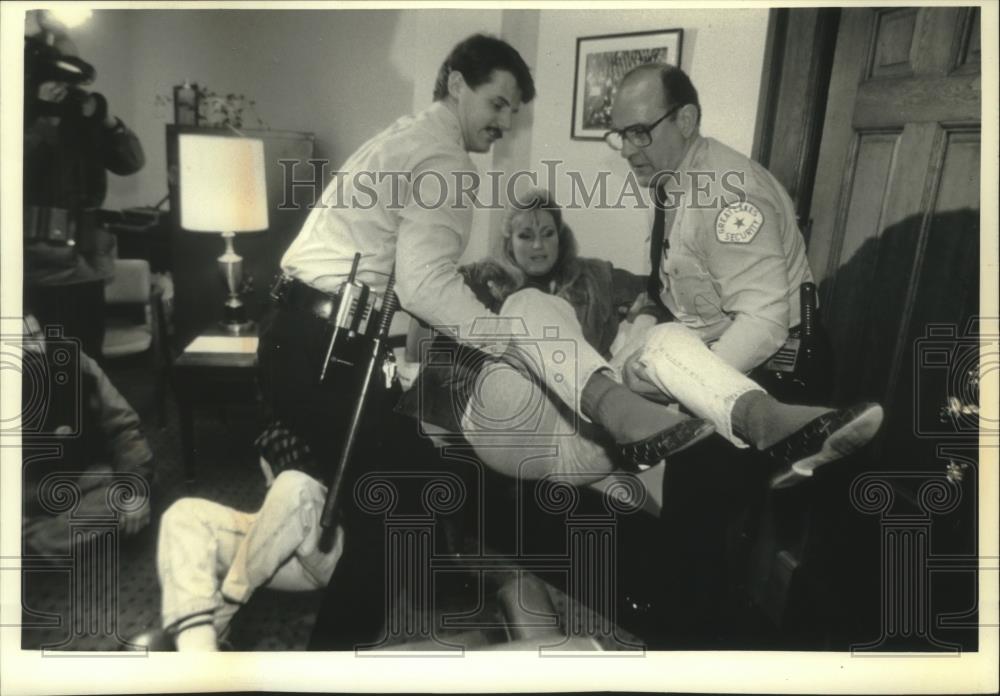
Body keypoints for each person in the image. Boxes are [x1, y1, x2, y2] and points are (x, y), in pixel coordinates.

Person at [401, 190, 881, 489]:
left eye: (547, 233)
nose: (538, 245)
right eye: (526, 236)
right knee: (531, 306)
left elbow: (658, 296)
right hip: (514, 422)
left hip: (590, 441)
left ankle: (767, 422)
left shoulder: (596, 277)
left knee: (666, 335)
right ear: (508, 242)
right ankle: (616, 406)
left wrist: (644, 322)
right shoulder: (480, 280)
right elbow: (420, 345)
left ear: (560, 236)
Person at [23, 30, 145, 359]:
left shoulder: (82, 113)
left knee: (87, 362)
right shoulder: (20, 111)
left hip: (86, 266)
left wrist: (106, 120)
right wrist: (45, 115)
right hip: (41, 270)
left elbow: (132, 162)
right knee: (47, 367)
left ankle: (85, 411)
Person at [21, 315, 153, 558]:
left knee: (123, 494)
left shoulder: (77, 362)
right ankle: (45, 539)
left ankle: (35, 543)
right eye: (21, 342)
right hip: (27, 490)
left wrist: (135, 489)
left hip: (83, 478)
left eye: (36, 336)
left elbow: (124, 427)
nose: (35, 347)